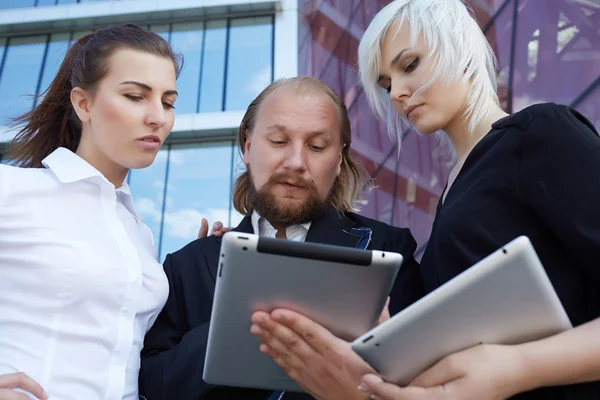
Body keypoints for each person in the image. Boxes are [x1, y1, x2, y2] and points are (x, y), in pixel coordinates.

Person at [247, 1, 600, 399]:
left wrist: (518, 366)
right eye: (385, 84)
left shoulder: (541, 134)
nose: (397, 92)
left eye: (410, 65)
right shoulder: (453, 191)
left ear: (459, 46)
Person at [139, 77, 425, 400]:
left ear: (340, 160)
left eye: (317, 146)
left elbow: (420, 379)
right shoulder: (185, 266)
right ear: (248, 147)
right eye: (278, 141)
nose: (296, 163)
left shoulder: (390, 250)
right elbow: (150, 383)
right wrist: (238, 323)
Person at [0, 24, 181, 400]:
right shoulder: (13, 191)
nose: (157, 118)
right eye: (135, 96)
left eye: (167, 102)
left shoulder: (139, 233)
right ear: (84, 103)